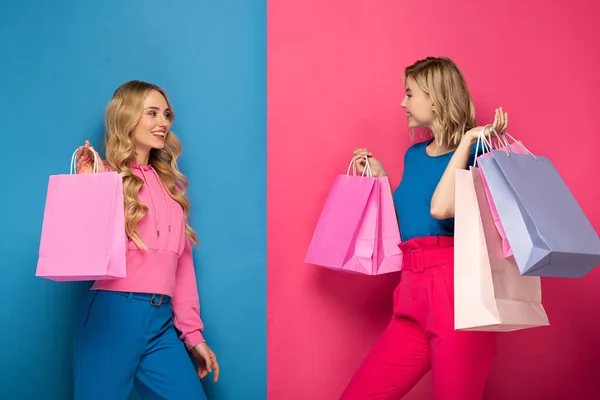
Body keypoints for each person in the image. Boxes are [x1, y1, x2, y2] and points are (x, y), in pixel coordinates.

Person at [340, 57, 508, 400]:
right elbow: (412, 227)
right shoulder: (414, 156)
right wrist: (382, 181)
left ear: (434, 97)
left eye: (409, 93)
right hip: (411, 294)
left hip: (458, 297)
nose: (403, 103)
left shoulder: (480, 151)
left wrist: (465, 143)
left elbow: (442, 208)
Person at [73, 80, 219, 400]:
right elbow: (83, 245)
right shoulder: (106, 176)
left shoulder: (172, 189)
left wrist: (193, 335)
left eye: (166, 114)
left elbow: (182, 268)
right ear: (128, 117)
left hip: (161, 323)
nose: (163, 122)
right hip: (112, 316)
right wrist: (87, 187)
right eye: (151, 113)